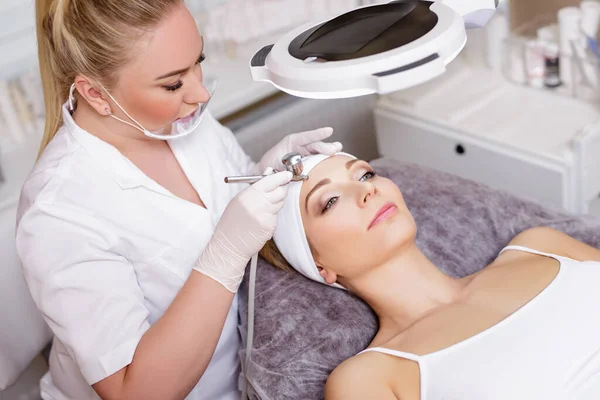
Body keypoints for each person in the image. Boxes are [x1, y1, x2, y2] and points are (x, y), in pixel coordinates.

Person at [16, 1, 342, 399]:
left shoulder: (182, 124)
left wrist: (266, 176)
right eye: (173, 83)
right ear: (95, 94)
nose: (201, 92)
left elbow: (225, 203)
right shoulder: (59, 210)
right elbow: (133, 391)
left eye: (198, 61)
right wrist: (222, 258)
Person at [261, 153, 600, 400]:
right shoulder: (368, 378)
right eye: (331, 200)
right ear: (319, 266)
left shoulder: (540, 245)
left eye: (364, 175)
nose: (367, 191)